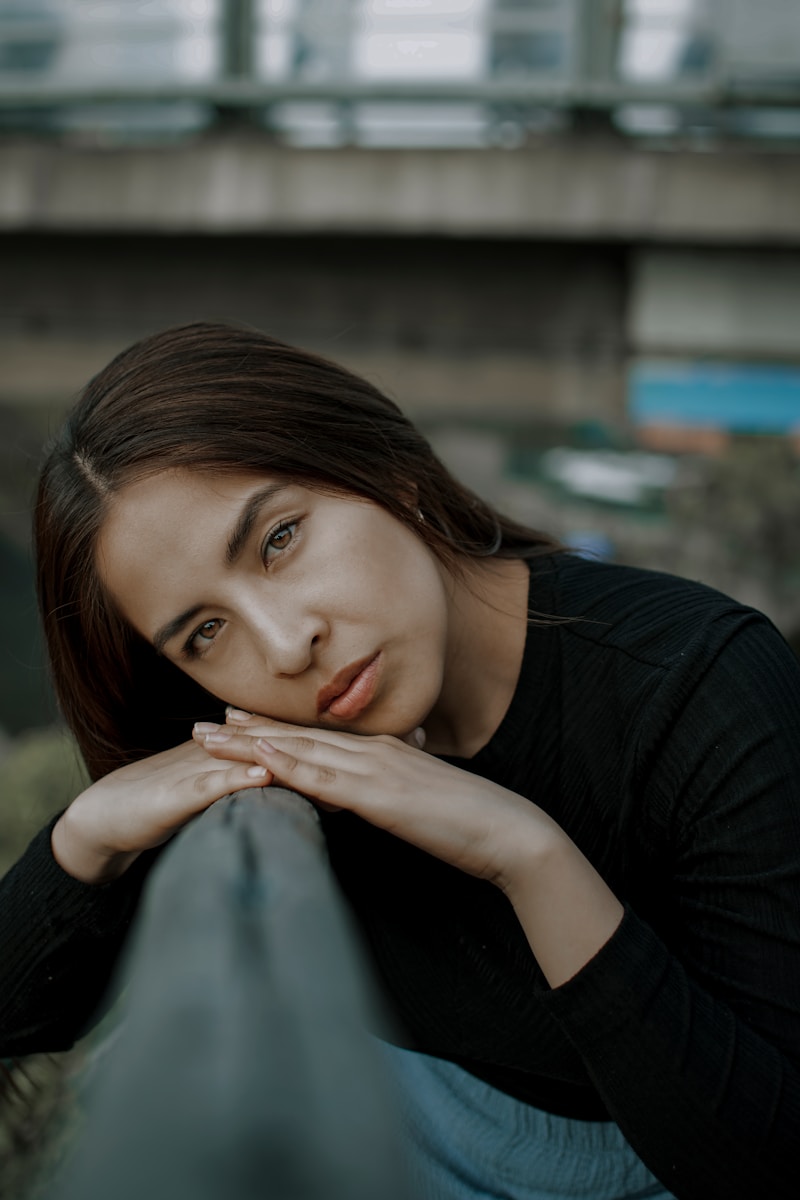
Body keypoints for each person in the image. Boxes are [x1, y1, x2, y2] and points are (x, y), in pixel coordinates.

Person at [1, 322, 798, 1200]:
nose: (287, 644)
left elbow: (763, 1160)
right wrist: (85, 839)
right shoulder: (267, 750)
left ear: (390, 471)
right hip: (387, 1131)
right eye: (206, 631)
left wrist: (529, 858)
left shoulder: (697, 682)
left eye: (278, 539)